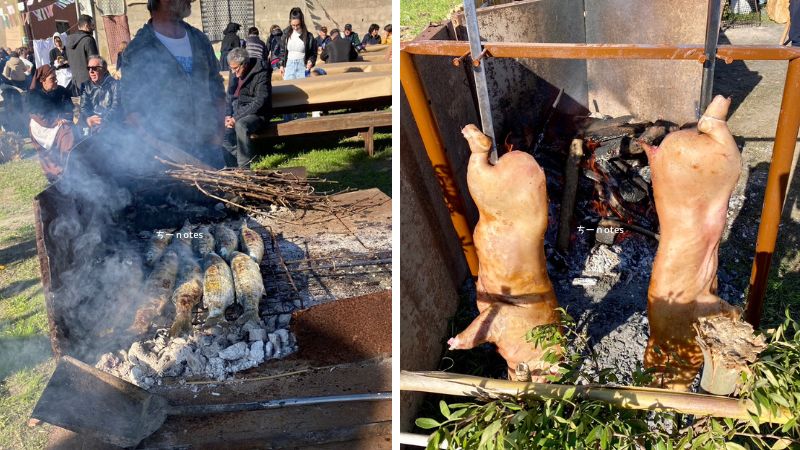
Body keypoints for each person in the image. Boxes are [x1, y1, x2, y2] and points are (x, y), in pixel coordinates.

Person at [119, 0, 225, 167]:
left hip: (209, 149)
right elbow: (131, 108)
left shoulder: (200, 40)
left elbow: (217, 88)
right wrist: (157, 147)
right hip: (168, 159)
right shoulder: (138, 49)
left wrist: (219, 133)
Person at [223, 47, 271, 168]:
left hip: (256, 114)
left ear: (245, 64)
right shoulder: (234, 70)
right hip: (236, 112)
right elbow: (229, 96)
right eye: (231, 68)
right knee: (218, 128)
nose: (233, 72)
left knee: (241, 125)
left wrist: (236, 118)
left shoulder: (261, 71)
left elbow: (260, 101)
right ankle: (236, 164)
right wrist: (227, 115)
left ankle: (244, 169)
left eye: (235, 69)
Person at [28, 65, 75, 181]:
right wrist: (54, 120)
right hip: (42, 127)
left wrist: (63, 117)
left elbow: (70, 109)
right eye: (52, 79)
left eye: (56, 78)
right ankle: (56, 172)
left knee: (68, 130)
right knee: (65, 131)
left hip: (59, 123)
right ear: (42, 80)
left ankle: (70, 166)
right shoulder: (34, 95)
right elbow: (37, 116)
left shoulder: (61, 91)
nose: (55, 81)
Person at [80, 55, 119, 134]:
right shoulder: (86, 86)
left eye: (94, 68)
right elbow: (83, 107)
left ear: (104, 69)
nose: (91, 71)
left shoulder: (115, 84)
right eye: (89, 68)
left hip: (111, 123)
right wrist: (88, 119)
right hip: (93, 124)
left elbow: (116, 106)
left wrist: (105, 121)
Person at [277, 7, 317, 80]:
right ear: (290, 22)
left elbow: (313, 53)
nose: (295, 28)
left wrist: (311, 61)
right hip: (289, 65)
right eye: (293, 25)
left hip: (302, 66)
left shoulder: (309, 36)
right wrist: (281, 65)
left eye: (297, 25)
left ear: (301, 22)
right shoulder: (286, 34)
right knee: (288, 88)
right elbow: (282, 51)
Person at [66, 15, 99, 90]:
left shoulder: (68, 42)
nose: (93, 29)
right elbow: (95, 63)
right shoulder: (88, 40)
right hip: (90, 84)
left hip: (76, 84)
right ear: (87, 25)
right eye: (92, 25)